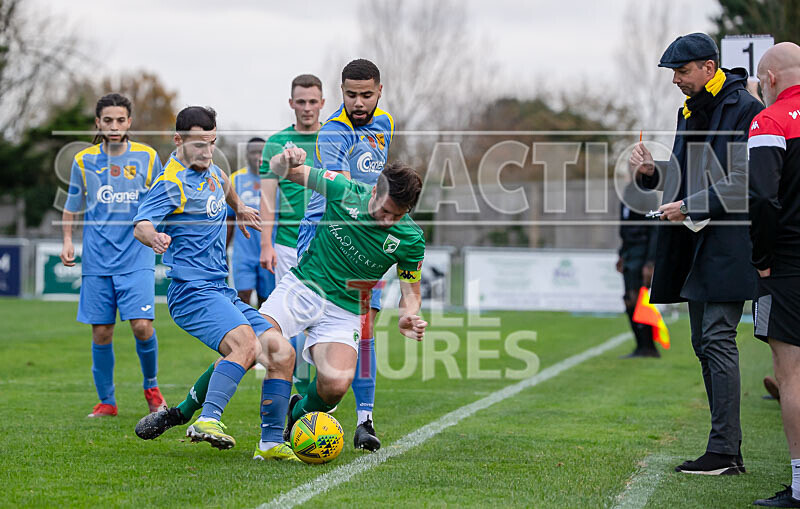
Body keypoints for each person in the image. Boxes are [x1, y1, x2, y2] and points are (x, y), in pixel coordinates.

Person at [629, 32, 763, 475]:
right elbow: (688, 174)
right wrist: (652, 174)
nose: (675, 81)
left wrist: (689, 205)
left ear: (709, 68)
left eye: (681, 72)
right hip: (694, 244)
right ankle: (724, 448)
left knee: (718, 340)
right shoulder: (689, 111)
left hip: (731, 242)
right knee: (702, 343)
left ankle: (725, 452)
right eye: (673, 73)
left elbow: (746, 177)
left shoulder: (747, 109)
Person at [132, 106, 298, 460]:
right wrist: (154, 237)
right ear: (178, 141)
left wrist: (240, 208)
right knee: (246, 344)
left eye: (212, 143)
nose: (206, 152)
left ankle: (270, 443)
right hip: (191, 291)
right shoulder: (171, 182)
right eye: (198, 145)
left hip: (219, 288)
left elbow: (224, 187)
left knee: (283, 354)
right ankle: (207, 420)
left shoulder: (213, 172)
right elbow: (141, 223)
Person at [264, 146, 427, 449]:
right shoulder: (344, 189)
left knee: (336, 385)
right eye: (384, 210)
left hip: (346, 309)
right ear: (375, 191)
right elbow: (280, 169)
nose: (387, 220)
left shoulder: (412, 239)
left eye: (397, 215)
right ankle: (198, 412)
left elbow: (411, 294)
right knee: (253, 342)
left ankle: (298, 413)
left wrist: (408, 315)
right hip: (305, 287)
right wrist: (285, 160)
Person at [296, 58, 394, 451]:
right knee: (314, 332)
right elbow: (345, 194)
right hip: (327, 237)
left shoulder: (385, 123)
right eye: (351, 95)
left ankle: (365, 421)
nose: (358, 102)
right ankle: (302, 408)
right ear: (341, 93)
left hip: (368, 239)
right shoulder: (333, 133)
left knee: (365, 330)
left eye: (366, 95)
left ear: (379, 92)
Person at [60, 93, 166, 418]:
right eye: (108, 120)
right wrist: (67, 239)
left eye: (121, 120)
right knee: (101, 331)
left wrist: (158, 231)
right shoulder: (83, 161)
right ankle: (107, 401)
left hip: (136, 257)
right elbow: (70, 207)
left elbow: (162, 200)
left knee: (142, 326)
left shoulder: (148, 158)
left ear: (129, 122)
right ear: (98, 123)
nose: (114, 126)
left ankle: (151, 386)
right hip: (96, 261)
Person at [748, 42, 800, 508]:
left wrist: (761, 257)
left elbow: (763, 198)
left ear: (768, 79)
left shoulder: (770, 120)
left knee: (791, 375)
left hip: (787, 263)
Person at [260, 74, 324, 398]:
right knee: (291, 318)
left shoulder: (335, 139)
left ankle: (322, 389)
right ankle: (297, 388)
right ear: (291, 104)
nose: (307, 108)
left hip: (327, 246)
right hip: (287, 244)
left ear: (323, 103)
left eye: (313, 101)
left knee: (324, 320)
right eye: (301, 101)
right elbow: (267, 198)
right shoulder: (276, 144)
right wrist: (266, 244)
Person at [227, 136, 274, 308]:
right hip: (243, 252)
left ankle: (263, 335)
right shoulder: (234, 180)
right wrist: (223, 251)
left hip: (270, 250)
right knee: (243, 297)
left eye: (261, 152)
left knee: (267, 302)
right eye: (253, 152)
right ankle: (246, 335)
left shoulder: (277, 180)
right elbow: (229, 219)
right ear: (246, 155)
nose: (257, 156)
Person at [616, 184, 660, 358]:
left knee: (638, 299)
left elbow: (654, 229)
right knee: (628, 299)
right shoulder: (626, 191)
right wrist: (621, 254)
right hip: (629, 253)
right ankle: (641, 345)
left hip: (642, 253)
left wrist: (650, 262)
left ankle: (648, 347)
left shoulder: (648, 194)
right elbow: (624, 228)